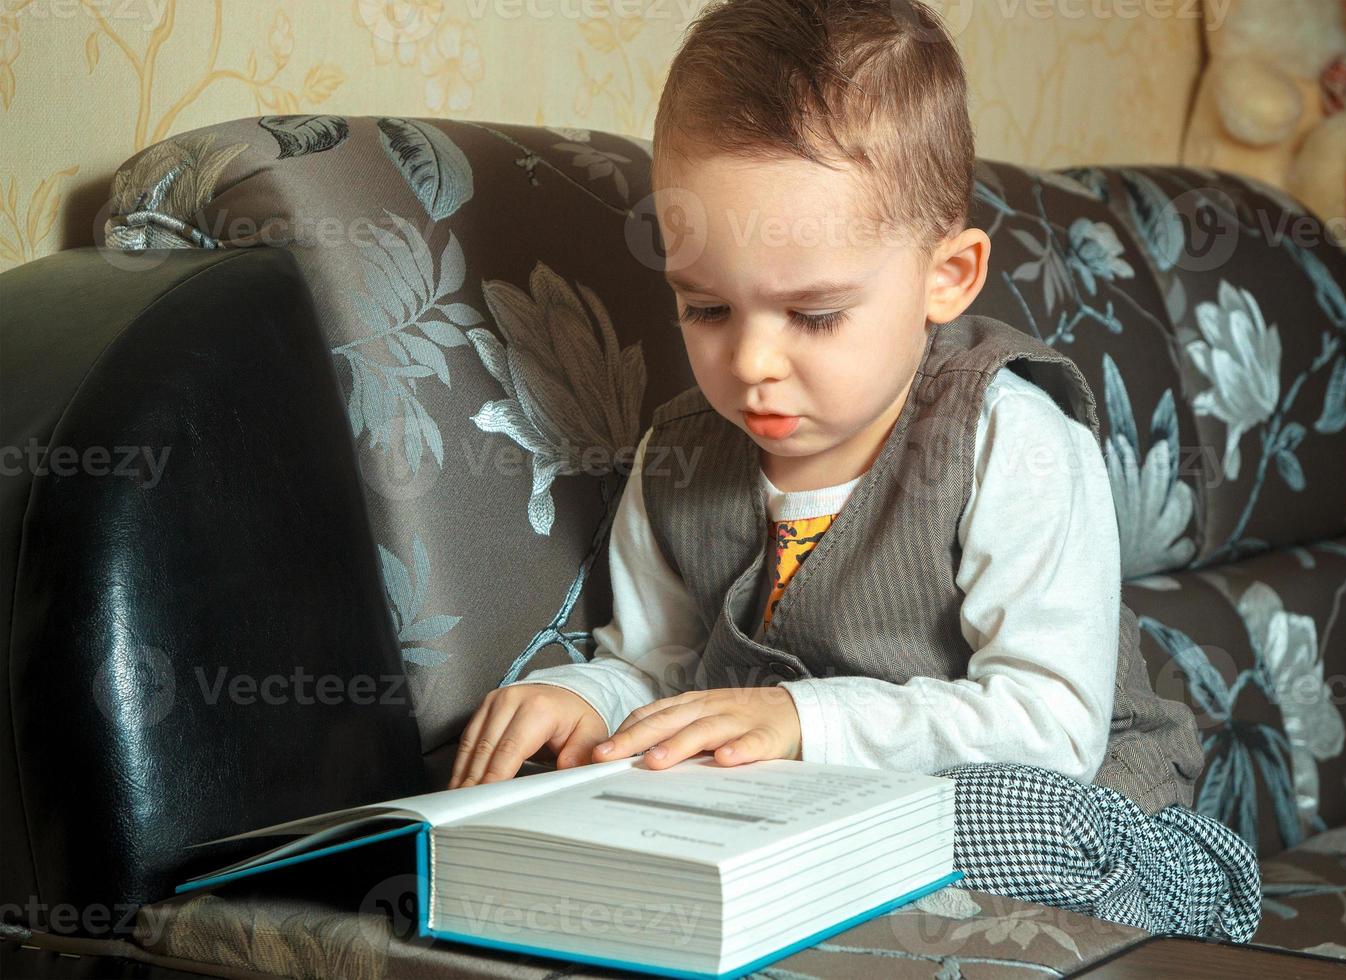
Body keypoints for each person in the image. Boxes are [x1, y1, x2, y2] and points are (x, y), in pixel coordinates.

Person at [449, 0, 1261, 943]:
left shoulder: (1010, 438)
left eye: (817, 315)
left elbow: (1051, 728)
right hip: (819, 815)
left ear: (946, 277)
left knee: (1001, 820)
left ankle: (1183, 888)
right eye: (706, 308)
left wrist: (800, 719)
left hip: (1088, 813)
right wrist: (586, 702)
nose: (751, 363)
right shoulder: (678, 457)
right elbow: (662, 668)